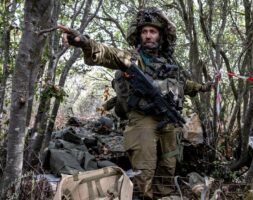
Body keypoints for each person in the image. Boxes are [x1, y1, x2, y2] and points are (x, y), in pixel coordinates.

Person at [58, 7, 212, 199]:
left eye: (153, 31)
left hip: (169, 121)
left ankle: (165, 196)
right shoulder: (133, 59)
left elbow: (183, 85)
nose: (148, 36)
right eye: (144, 32)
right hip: (142, 120)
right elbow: (109, 54)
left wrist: (204, 87)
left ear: (161, 36)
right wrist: (85, 43)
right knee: (144, 170)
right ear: (139, 35)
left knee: (168, 166)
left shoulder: (170, 63)